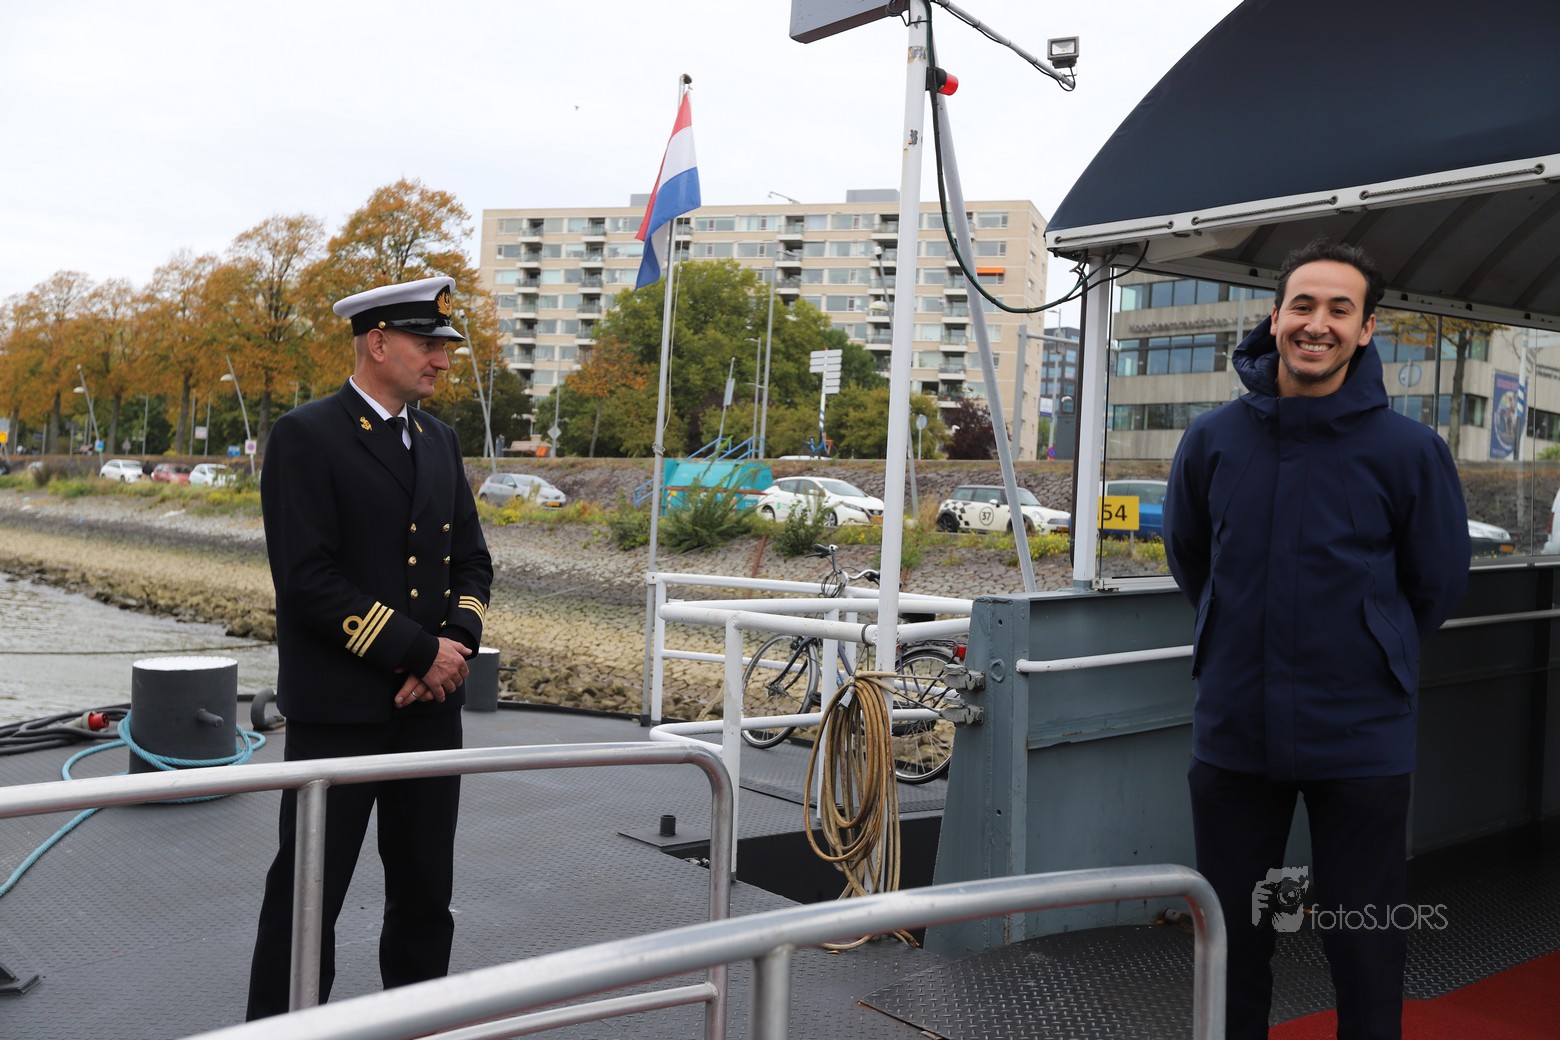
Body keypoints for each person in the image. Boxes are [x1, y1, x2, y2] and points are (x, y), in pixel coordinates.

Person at [1164, 239, 1469, 1040]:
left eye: (1340, 309)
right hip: (1235, 730)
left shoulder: (1409, 452)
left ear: (1366, 329)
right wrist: (1241, 636)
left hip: (1361, 736)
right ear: (1275, 318)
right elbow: (1192, 559)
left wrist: (1371, 648)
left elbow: (1437, 582)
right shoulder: (1212, 440)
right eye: (1302, 305)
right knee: (1232, 940)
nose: (1317, 323)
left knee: (1364, 943)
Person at [246, 274, 493, 1019]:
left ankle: (416, 1025)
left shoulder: (440, 440)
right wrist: (418, 652)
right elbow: (307, 579)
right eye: (428, 346)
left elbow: (472, 561)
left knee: (425, 896)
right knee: (307, 901)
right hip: (340, 714)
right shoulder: (306, 435)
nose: (442, 361)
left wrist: (455, 645)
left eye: (445, 347)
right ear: (377, 343)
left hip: (429, 712)